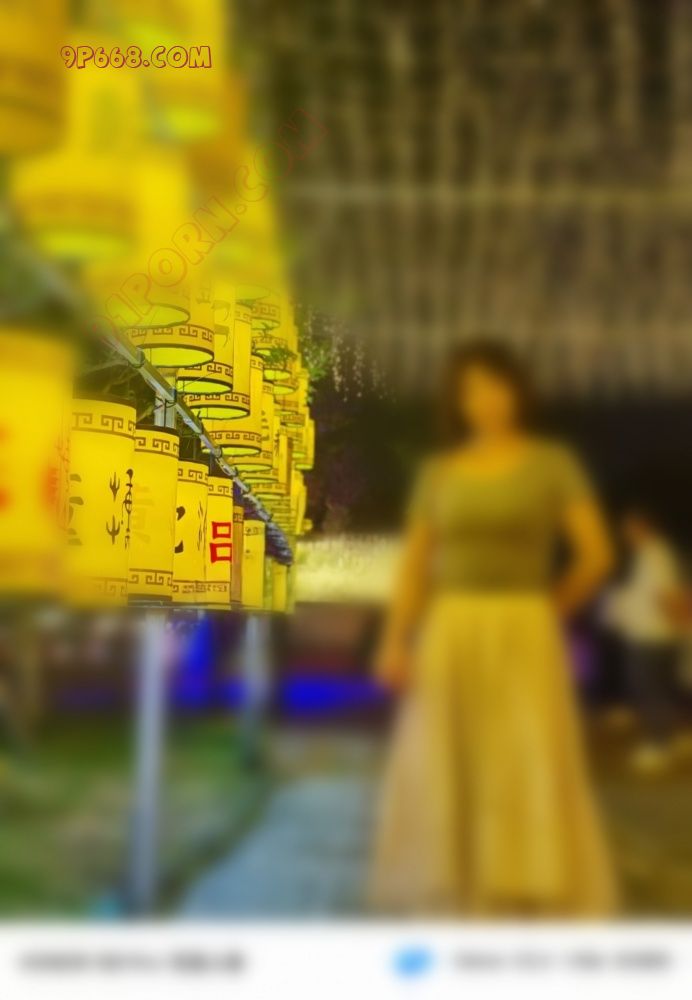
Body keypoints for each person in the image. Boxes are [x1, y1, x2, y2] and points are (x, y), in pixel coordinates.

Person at [370, 340, 617, 917]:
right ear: (459, 402)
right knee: (448, 753)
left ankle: (525, 883)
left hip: (524, 628)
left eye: (496, 385)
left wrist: (547, 609)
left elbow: (596, 556)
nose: (486, 400)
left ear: (517, 390)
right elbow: (415, 566)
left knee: (524, 754)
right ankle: (454, 879)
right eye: (472, 390)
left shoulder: (552, 464)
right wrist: (394, 641)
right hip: (451, 629)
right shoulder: (438, 473)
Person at [606, 510, 685, 773]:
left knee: (649, 690)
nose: (626, 534)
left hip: (651, 635)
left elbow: (667, 594)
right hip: (651, 633)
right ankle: (670, 739)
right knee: (660, 689)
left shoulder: (654, 554)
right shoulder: (648, 554)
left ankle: (659, 746)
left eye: (630, 528)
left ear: (644, 527)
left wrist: (682, 626)